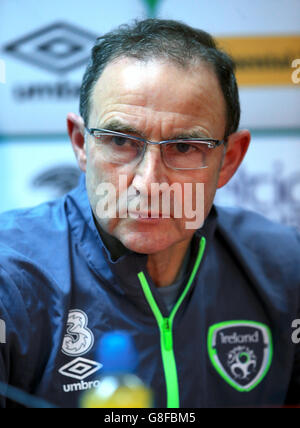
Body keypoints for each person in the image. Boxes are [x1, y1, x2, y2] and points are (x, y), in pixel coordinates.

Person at [0, 18, 299, 409]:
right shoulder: (10, 274)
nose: (148, 183)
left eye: (185, 147)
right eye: (121, 141)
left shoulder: (286, 266)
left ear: (228, 160)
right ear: (81, 145)